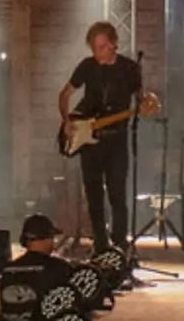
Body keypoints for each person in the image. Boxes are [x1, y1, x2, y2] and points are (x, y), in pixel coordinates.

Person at [60, 21, 158, 256]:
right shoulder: (87, 66)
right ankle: (101, 244)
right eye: (94, 47)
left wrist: (149, 101)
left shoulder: (129, 68)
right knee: (94, 194)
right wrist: (66, 120)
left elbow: (141, 98)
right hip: (90, 137)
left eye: (102, 47)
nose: (98, 52)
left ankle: (120, 245)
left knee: (118, 194)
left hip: (117, 139)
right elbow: (65, 94)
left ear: (114, 44)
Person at [0, 214, 73, 321]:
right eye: (52, 237)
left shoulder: (8, 269)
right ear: (46, 238)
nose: (53, 242)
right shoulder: (60, 268)